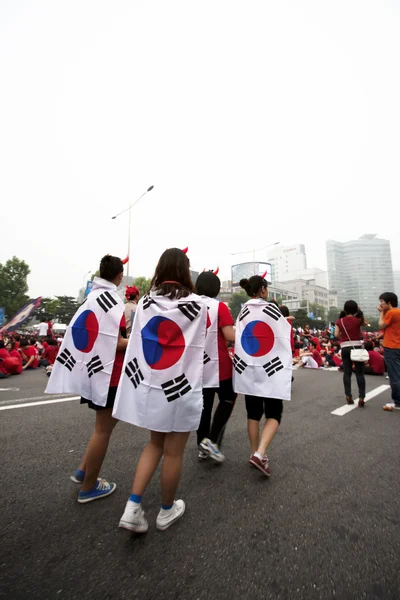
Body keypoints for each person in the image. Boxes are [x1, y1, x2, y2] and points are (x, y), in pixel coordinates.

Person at [115, 248, 208, 533]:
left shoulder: (144, 303)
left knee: (155, 444)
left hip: (152, 385)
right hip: (181, 386)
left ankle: (132, 507)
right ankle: (166, 510)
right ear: (184, 271)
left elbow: (138, 343)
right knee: (174, 452)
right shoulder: (198, 304)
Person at [46, 255, 127, 503]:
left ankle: (84, 469)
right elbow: (116, 342)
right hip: (109, 374)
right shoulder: (113, 302)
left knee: (108, 424)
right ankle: (89, 487)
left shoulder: (91, 298)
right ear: (119, 276)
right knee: (103, 430)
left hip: (96, 371)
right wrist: (137, 340)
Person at [234, 274, 292, 477]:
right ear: (264, 289)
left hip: (250, 367)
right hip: (270, 367)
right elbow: (282, 334)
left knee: (253, 413)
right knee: (274, 413)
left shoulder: (243, 311)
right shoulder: (270, 308)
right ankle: (260, 453)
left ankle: (255, 453)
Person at [196, 270, 236, 462]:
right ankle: (211, 440)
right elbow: (230, 335)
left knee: (204, 405)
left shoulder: (190, 304)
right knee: (228, 397)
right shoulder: (219, 306)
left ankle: (202, 445)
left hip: (196, 363)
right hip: (218, 362)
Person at [335, 300, 366, 407]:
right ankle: (361, 397)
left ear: (345, 309)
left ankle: (348, 395)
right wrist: (359, 311)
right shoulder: (358, 320)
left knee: (347, 373)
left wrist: (343, 338)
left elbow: (336, 334)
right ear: (355, 309)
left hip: (345, 347)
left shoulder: (340, 321)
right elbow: (365, 322)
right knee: (359, 373)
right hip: (356, 346)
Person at [378, 292, 400, 411]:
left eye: (382, 301)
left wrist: (381, 312)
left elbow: (381, 325)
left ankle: (397, 402)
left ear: (389, 302)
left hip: (391, 347)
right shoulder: (397, 312)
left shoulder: (392, 312)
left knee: (394, 376)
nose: (380, 304)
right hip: (397, 346)